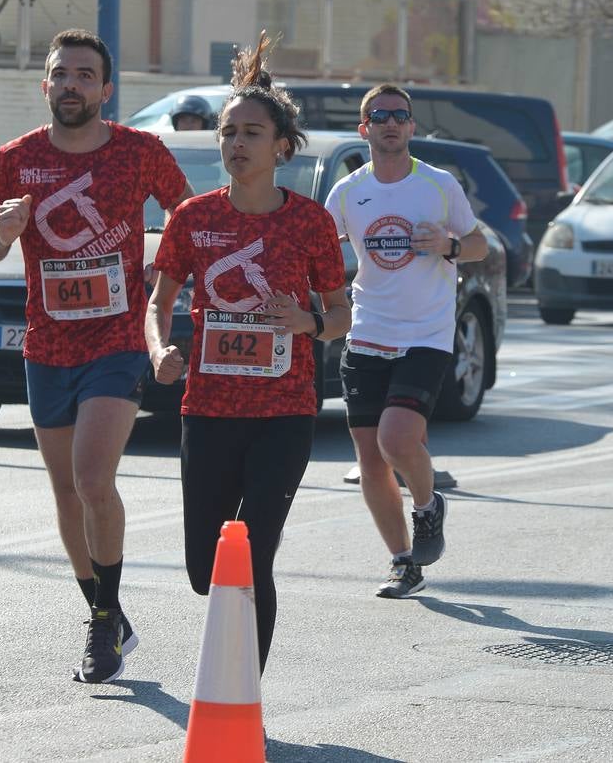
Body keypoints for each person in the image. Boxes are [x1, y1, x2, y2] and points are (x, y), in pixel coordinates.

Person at [0, 29, 192, 683]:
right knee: (67, 493)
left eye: (85, 75)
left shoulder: (139, 151)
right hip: (48, 344)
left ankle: (101, 624)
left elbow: (189, 213)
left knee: (95, 480)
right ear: (45, 85)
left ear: (106, 88)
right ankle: (105, 610)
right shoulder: (18, 158)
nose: (72, 84)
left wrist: (166, 273)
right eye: (61, 73)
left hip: (117, 341)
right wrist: (1, 233)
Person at [146, 33, 351, 671]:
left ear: (281, 147)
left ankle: (242, 690)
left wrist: (310, 322)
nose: (236, 144)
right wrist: (159, 351)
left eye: (251, 134)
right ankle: (232, 661)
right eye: (229, 133)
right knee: (204, 567)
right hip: (207, 408)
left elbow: (342, 314)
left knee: (254, 551)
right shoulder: (192, 219)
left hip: (284, 412)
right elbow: (158, 302)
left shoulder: (311, 222)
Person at [324, 84, 487, 600]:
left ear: (412, 127)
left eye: (400, 115)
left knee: (397, 441)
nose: (390, 122)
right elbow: (319, 248)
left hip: (425, 335)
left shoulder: (438, 185)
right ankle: (402, 562)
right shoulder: (348, 192)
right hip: (368, 331)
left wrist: (451, 245)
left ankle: (427, 506)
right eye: (379, 115)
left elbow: (480, 244)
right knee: (371, 460)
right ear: (364, 128)